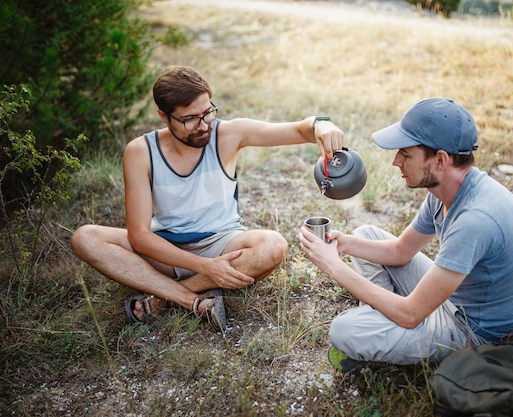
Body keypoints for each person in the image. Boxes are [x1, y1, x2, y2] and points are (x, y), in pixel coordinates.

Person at [71, 65, 344, 331]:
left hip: (222, 244)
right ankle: (191, 300)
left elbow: (299, 129)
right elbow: (139, 236)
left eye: (207, 112)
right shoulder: (140, 151)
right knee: (85, 238)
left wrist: (321, 125)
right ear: (164, 116)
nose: (203, 125)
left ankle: (161, 299)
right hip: (165, 249)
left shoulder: (227, 134)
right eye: (190, 118)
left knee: (273, 246)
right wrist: (204, 267)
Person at [299, 97, 513, 372]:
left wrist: (332, 265)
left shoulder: (476, 220)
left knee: (345, 330)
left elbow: (411, 314)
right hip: (456, 299)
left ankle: (382, 324)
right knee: (365, 234)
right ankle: (384, 317)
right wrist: (344, 245)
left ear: (440, 160)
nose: (395, 161)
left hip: (478, 333)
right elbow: (400, 252)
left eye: (406, 154)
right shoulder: (446, 191)